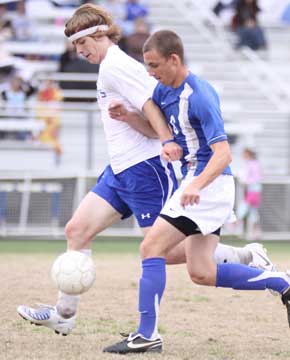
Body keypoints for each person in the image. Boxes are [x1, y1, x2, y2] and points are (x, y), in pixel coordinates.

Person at [17, 4, 274, 338]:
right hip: (120, 169)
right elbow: (142, 108)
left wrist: (167, 140)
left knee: (163, 252)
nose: (79, 52)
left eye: (82, 44)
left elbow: (152, 105)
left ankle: (246, 256)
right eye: (74, 48)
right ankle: (64, 314)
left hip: (145, 169)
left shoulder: (115, 65)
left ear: (99, 34)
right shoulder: (108, 66)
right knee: (76, 230)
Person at [103, 30, 290, 354]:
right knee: (201, 272)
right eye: (147, 66)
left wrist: (196, 186)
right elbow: (157, 130)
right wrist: (130, 117)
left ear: (174, 59)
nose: (150, 72)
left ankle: (146, 334)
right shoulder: (164, 91)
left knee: (151, 247)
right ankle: (282, 283)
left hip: (208, 185)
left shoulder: (199, 95)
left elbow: (223, 154)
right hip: (199, 185)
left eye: (154, 65)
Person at [236, 148, 262, 239]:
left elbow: (247, 178)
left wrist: (244, 181)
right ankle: (255, 233)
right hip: (254, 190)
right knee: (253, 212)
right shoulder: (255, 164)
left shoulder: (250, 164)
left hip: (252, 190)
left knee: (244, 209)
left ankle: (234, 225)